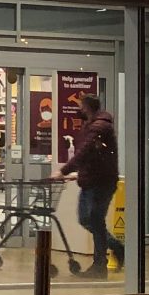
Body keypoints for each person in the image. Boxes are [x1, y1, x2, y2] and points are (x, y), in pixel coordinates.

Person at [54, 94, 124, 274]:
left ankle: (100, 265)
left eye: (82, 106)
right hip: (91, 180)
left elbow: (86, 151)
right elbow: (89, 156)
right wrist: (79, 173)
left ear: (88, 107)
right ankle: (116, 246)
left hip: (101, 182)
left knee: (95, 219)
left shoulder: (100, 126)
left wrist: (64, 170)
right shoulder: (91, 125)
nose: (80, 110)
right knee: (85, 219)